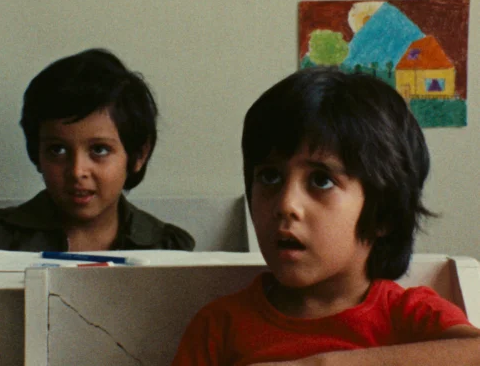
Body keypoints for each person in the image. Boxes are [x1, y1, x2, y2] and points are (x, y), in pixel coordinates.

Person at [172, 68, 480, 365]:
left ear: (384, 213)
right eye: (269, 177)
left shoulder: (409, 317)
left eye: (321, 180)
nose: (286, 204)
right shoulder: (219, 327)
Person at [0, 48, 195, 252]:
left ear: (138, 155)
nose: (77, 171)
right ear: (37, 152)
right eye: (57, 150)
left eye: (99, 150)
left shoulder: (166, 248)